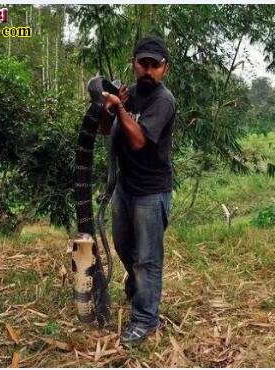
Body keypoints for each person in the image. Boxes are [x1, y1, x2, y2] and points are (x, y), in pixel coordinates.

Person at [100, 35, 176, 345]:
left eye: (154, 65)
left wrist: (120, 110)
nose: (147, 70)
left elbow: (139, 140)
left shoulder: (163, 101)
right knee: (122, 246)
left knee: (147, 258)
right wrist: (108, 108)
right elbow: (108, 132)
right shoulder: (127, 96)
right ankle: (137, 287)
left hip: (151, 192)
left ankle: (145, 320)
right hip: (125, 188)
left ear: (164, 69)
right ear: (134, 64)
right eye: (142, 63)